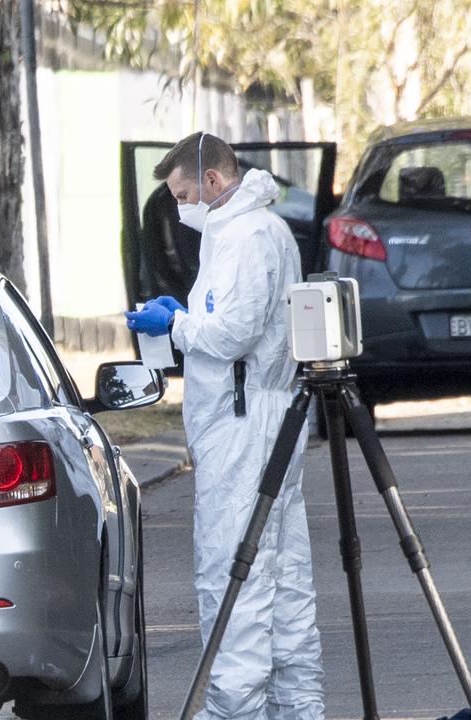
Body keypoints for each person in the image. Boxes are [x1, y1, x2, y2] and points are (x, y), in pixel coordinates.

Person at [125, 131, 325, 719]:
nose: (181, 205)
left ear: (213, 180)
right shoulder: (257, 230)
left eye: (184, 192)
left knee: (233, 576)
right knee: (283, 580)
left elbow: (232, 335)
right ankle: (299, 709)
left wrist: (175, 326)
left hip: (243, 428)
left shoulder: (243, 237)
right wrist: (184, 321)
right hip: (265, 419)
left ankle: (235, 711)